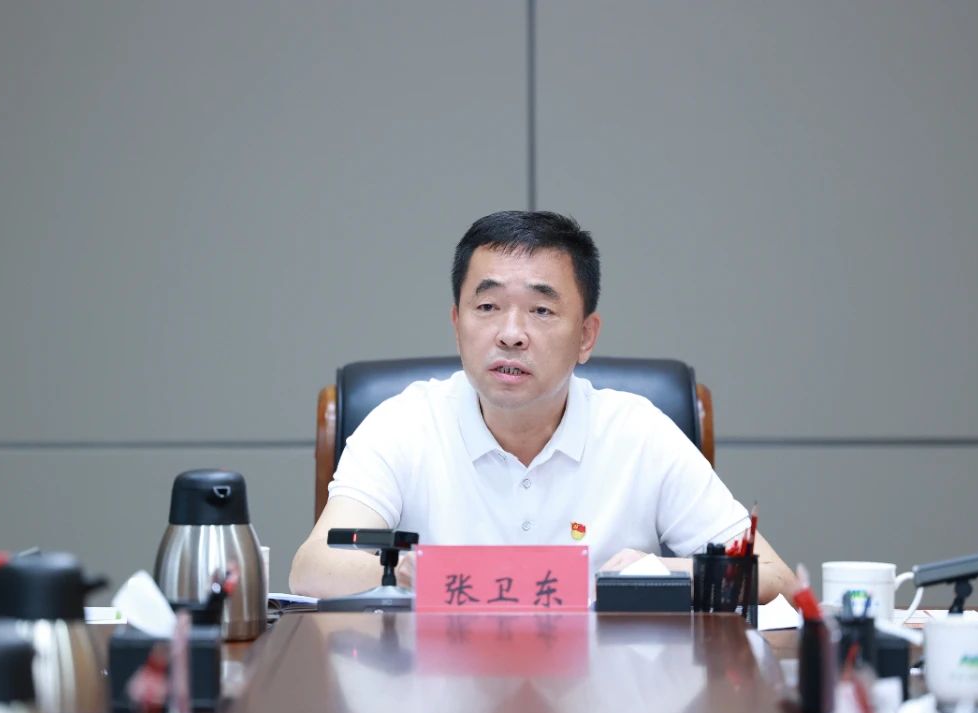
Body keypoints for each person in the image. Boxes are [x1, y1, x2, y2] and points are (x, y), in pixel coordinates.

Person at [291, 211, 796, 602]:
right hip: (437, 696)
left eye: (541, 310)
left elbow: (775, 578)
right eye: (487, 307)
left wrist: (659, 571)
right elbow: (314, 569)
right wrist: (408, 572)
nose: (511, 334)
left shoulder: (639, 432)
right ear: (457, 324)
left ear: (586, 336)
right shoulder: (402, 424)